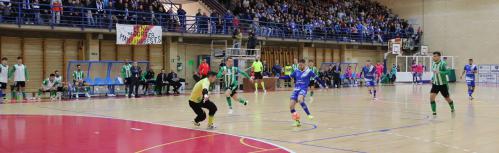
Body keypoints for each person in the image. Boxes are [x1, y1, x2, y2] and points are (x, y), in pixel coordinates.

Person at [289, 59, 321, 127]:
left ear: (304, 64)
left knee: (300, 99)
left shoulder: (309, 71)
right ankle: (297, 121)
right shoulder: (296, 71)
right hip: (296, 89)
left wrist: (324, 85)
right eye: (299, 65)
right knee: (291, 106)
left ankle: (308, 114)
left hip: (303, 89)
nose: (300, 66)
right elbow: (289, 77)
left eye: (301, 65)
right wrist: (279, 77)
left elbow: (317, 78)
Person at [430, 52, 455, 116]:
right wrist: (432, 78)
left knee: (447, 98)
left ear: (439, 57)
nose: (433, 57)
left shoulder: (443, 64)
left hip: (443, 85)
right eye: (433, 56)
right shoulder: (433, 64)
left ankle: (452, 107)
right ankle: (434, 112)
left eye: (435, 56)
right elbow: (435, 73)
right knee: (431, 98)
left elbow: (449, 72)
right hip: (435, 84)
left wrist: (440, 72)